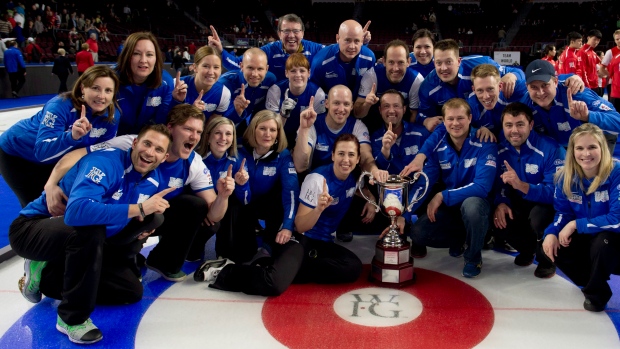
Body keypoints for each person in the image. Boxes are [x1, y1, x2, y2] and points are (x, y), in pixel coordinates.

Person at [10, 125, 173, 345]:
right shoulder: (105, 163)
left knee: (130, 291)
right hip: (33, 229)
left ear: (165, 157)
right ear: (135, 143)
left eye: (158, 149)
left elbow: (120, 220)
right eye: (147, 143)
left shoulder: (153, 180)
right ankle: (71, 318)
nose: (150, 152)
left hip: (79, 238)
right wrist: (140, 209)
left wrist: (148, 219)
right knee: (91, 228)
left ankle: (47, 277)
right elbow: (78, 212)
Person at [46, 104, 235, 282]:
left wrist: (223, 196)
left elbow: (213, 215)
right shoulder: (136, 143)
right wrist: (51, 185)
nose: (194, 137)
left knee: (194, 206)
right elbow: (78, 154)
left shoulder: (193, 162)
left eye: (199, 132)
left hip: (148, 215)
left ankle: (162, 261)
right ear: (170, 128)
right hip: (116, 211)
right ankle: (77, 260)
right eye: (188, 129)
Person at [194, 133, 363, 295]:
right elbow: (300, 225)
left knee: (352, 267)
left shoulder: (354, 177)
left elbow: (362, 182)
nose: (346, 160)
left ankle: (273, 266)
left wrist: (369, 200)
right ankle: (225, 271)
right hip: (300, 238)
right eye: (341, 153)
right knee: (273, 284)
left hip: (322, 244)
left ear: (358, 159)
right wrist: (318, 209)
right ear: (333, 155)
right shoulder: (318, 179)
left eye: (351, 155)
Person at [0, 65, 121, 207]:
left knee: (62, 203)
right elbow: (42, 153)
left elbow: (99, 153)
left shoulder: (112, 117)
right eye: (95, 88)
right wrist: (72, 137)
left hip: (57, 159)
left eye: (108, 90)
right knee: (37, 207)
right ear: (83, 88)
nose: (102, 96)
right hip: (17, 155)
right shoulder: (59, 106)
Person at [407, 98, 498, 278]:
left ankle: (473, 257)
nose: (455, 123)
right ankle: (461, 239)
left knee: (472, 206)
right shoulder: (439, 145)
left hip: (478, 206)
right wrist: (405, 213)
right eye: (450, 119)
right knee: (418, 233)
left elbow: (482, 187)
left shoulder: (485, 142)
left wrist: (443, 195)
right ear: (444, 121)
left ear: (470, 118)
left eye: (460, 118)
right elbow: (426, 182)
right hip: (452, 208)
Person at [535, 123, 620, 313]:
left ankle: (596, 294)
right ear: (572, 151)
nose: (586, 154)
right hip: (585, 235)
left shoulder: (616, 172)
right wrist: (552, 232)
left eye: (592, 147)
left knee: (602, 242)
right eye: (579, 148)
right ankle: (589, 280)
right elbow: (563, 213)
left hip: (613, 238)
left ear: (602, 148)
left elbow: (617, 218)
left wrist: (576, 224)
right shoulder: (564, 177)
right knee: (548, 247)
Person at [294, 84, 389, 242]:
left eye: (346, 104)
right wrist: (304, 129)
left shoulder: (357, 126)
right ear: (326, 103)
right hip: (314, 184)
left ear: (352, 106)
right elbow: (300, 165)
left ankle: (343, 225)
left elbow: (365, 157)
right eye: (336, 103)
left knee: (380, 214)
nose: (341, 108)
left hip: (344, 181)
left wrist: (374, 172)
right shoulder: (313, 124)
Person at [208, 110, 299, 263]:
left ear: (278, 134)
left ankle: (268, 246)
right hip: (242, 202)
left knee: (279, 196)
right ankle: (224, 252)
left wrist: (288, 226)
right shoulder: (239, 151)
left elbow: (291, 193)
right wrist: (241, 185)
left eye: (272, 130)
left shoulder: (282, 156)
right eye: (262, 128)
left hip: (267, 204)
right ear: (253, 130)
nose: (267, 134)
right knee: (244, 254)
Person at [493, 102, 566, 266]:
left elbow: (556, 194)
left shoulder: (551, 149)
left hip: (546, 204)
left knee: (539, 217)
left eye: (520, 124)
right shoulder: (499, 150)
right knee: (498, 217)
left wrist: (521, 185)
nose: (514, 131)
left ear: (531, 125)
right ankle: (528, 250)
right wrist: (502, 202)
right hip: (519, 200)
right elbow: (499, 186)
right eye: (509, 125)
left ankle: (546, 260)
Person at [416, 39, 525, 133]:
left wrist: (512, 75)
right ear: (434, 63)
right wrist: (426, 121)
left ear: (459, 61)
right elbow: (420, 114)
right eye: (439, 63)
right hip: (462, 125)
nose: (443, 68)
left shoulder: (479, 64)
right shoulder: (428, 86)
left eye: (449, 62)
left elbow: (516, 72)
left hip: (490, 118)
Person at [521, 59, 620, 157]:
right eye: (534, 87)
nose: (540, 92)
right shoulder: (525, 105)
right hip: (565, 148)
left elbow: (617, 121)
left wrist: (588, 116)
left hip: (600, 145)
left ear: (555, 82)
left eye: (545, 85)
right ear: (527, 87)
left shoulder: (576, 93)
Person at [190, 116, 250, 261]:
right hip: (201, 208)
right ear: (208, 136)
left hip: (222, 207)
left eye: (228, 134)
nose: (223, 138)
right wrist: (206, 210)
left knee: (234, 206)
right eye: (218, 133)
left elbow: (246, 201)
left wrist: (242, 185)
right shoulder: (195, 158)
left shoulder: (238, 161)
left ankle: (224, 252)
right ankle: (193, 248)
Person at [209, 14, 329, 81]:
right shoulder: (269, 50)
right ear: (279, 33)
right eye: (286, 31)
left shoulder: (315, 49)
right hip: (274, 102)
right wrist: (220, 50)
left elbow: (336, 51)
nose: (291, 35)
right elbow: (238, 64)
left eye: (296, 31)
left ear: (302, 33)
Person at [115, 31, 179, 136]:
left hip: (148, 140)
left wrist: (177, 101)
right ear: (126, 56)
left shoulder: (165, 82)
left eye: (149, 54)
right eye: (136, 54)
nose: (143, 60)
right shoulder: (111, 80)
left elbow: (163, 121)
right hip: (114, 141)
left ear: (156, 58)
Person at [354, 39, 424, 132]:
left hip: (402, 122)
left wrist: (407, 137)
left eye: (400, 62)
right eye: (391, 62)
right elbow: (357, 114)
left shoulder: (416, 81)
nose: (395, 68)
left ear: (408, 62)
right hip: (374, 121)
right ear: (383, 61)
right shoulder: (372, 76)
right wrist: (367, 104)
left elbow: (413, 114)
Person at [267, 53, 326, 147]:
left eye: (302, 71)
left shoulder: (318, 93)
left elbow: (319, 127)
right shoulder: (275, 90)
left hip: (306, 136)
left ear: (309, 73)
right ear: (286, 73)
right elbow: (270, 129)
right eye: (293, 71)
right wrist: (283, 115)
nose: (298, 75)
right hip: (280, 136)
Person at [309, 19, 376, 101]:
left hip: (357, 106)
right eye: (347, 40)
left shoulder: (369, 58)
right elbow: (313, 90)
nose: (352, 46)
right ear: (338, 38)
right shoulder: (320, 61)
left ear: (362, 41)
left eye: (356, 41)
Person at [218, 48, 277, 128]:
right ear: (241, 66)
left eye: (260, 69)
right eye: (250, 68)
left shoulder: (270, 80)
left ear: (266, 69)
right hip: (223, 125)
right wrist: (236, 111)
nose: (255, 74)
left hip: (246, 125)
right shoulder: (225, 83)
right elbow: (216, 119)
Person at [176, 46, 232, 123]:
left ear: (221, 70)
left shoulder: (223, 93)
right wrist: (191, 112)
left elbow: (211, 128)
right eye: (206, 66)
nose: (211, 72)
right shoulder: (177, 85)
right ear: (195, 67)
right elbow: (165, 121)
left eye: (216, 67)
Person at [600, 29, 620, 110]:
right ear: (614, 40)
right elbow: (602, 69)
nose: (619, 41)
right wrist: (613, 76)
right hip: (614, 85)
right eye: (617, 39)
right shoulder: (610, 52)